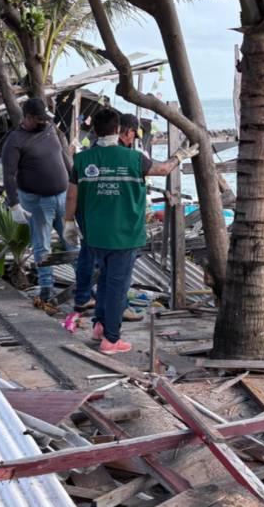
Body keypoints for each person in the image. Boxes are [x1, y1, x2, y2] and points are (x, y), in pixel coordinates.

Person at [64, 108, 186, 353]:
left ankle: (99, 327)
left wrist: (68, 223)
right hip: (125, 236)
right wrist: (180, 156)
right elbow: (163, 169)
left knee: (105, 281)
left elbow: (71, 197)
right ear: (118, 129)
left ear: (94, 129)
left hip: (95, 235)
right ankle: (111, 339)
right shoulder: (134, 158)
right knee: (118, 288)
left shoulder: (82, 159)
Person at [2, 98, 70, 299]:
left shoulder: (50, 129)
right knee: (42, 245)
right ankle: (46, 288)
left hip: (63, 197)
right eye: (40, 119)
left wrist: (75, 181)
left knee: (72, 240)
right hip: (38, 201)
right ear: (28, 117)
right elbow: (8, 175)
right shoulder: (15, 140)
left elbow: (63, 156)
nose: (44, 122)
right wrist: (14, 204)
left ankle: (85, 283)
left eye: (45, 118)